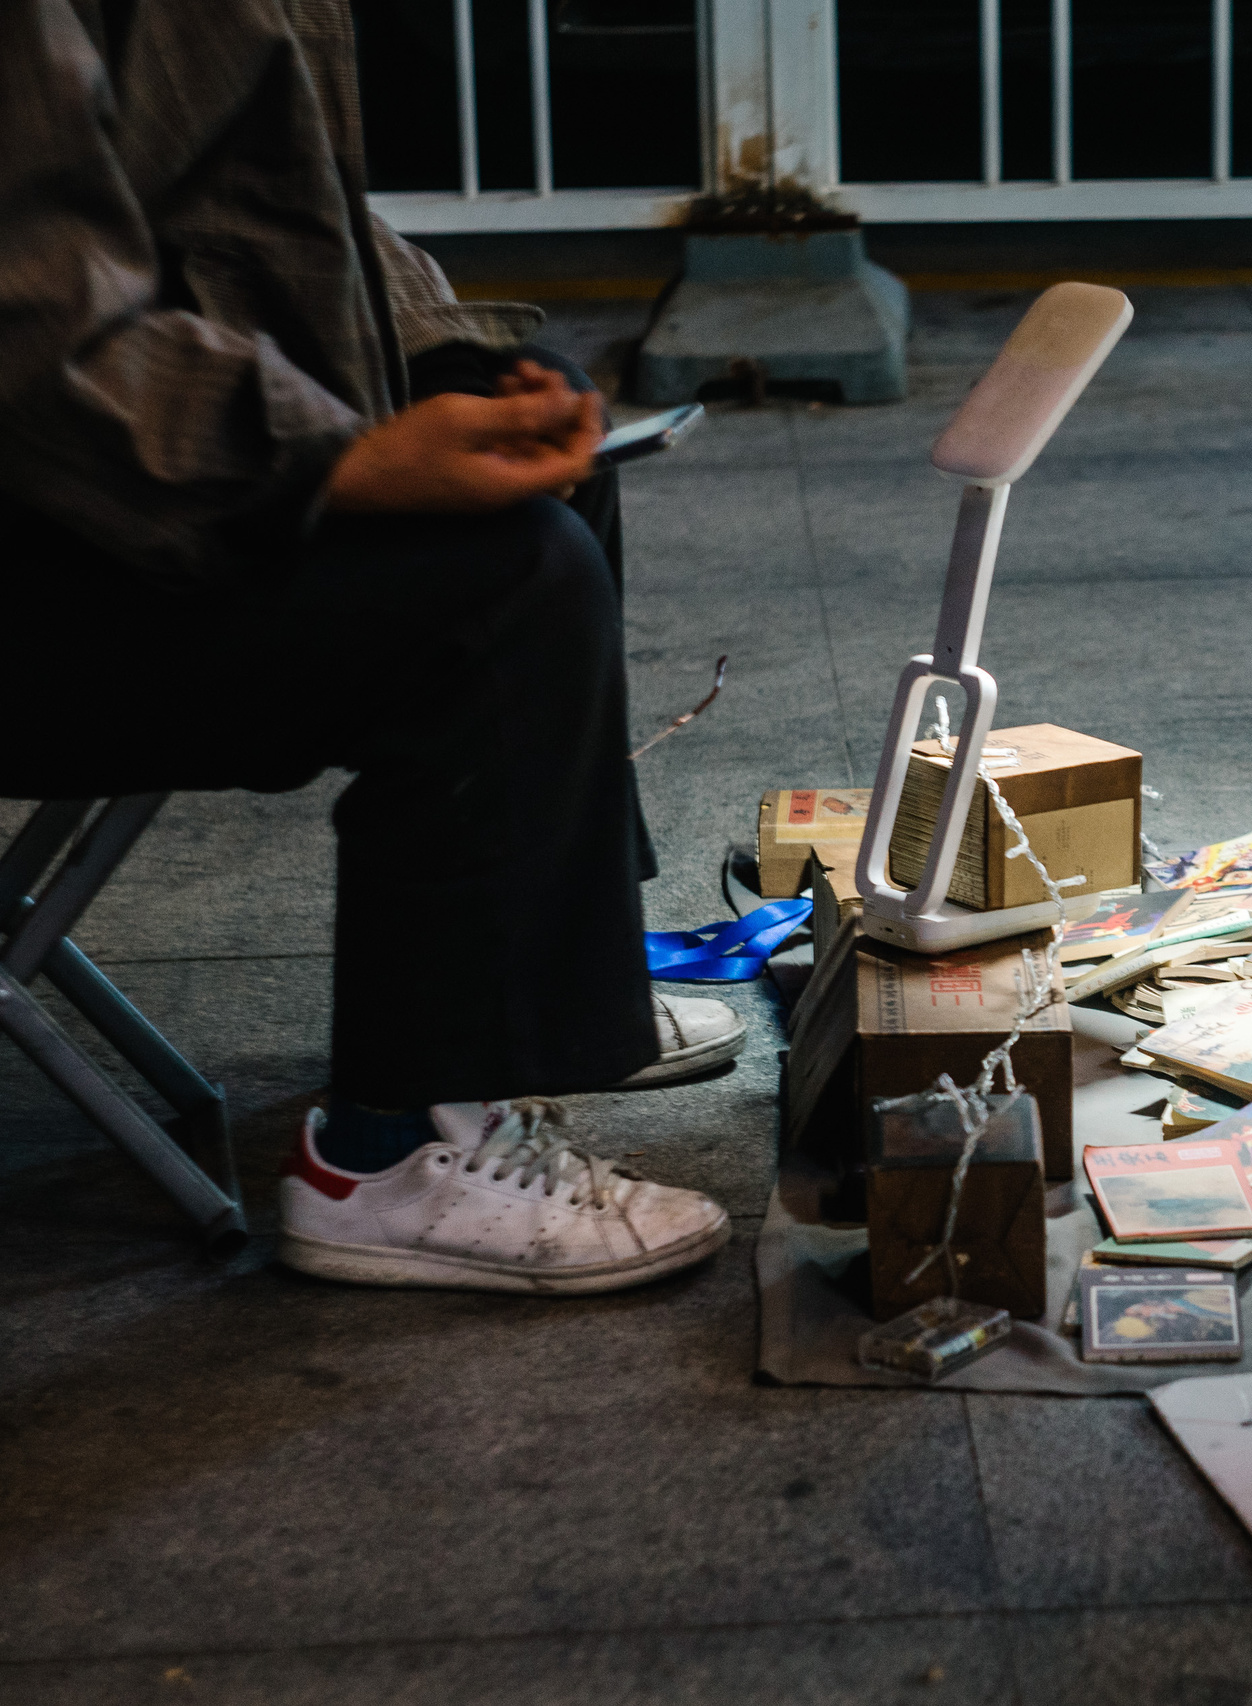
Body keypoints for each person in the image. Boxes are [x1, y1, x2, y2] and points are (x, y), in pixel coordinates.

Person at [2, 0, 742, 1294]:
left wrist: (458, 360)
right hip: (45, 531)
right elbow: (35, 326)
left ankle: (548, 994)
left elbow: (275, 205)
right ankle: (391, 1160)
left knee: (547, 488)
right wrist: (332, 459)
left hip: (87, 487)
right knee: (501, 585)